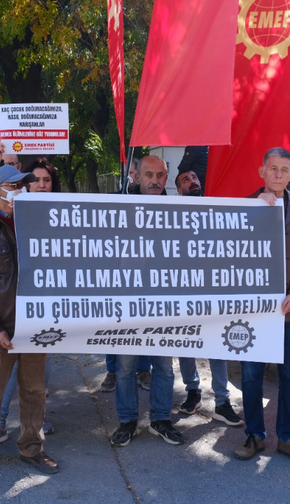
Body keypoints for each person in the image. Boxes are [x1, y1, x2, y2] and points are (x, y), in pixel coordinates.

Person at [0, 165, 59, 482]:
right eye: (13, 185)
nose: (21, 190)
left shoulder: (41, 223)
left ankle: (32, 447)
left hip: (36, 328)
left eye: (23, 185)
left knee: (34, 391)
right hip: (1, 331)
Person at [234, 147, 290, 466]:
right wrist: (254, 210)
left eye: (285, 170)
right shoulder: (245, 207)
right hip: (255, 311)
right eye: (273, 169)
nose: (278, 175)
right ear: (262, 172)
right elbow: (230, 254)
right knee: (252, 376)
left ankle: (286, 437)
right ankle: (255, 434)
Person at [110, 155, 183, 447]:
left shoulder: (181, 210)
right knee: (125, 367)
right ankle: (127, 421)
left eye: (161, 175)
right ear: (137, 176)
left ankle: (161, 420)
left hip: (165, 304)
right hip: (128, 303)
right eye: (149, 174)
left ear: (167, 178)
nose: (155, 180)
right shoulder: (115, 207)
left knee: (164, 367)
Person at [173, 166, 244, 426]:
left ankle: (223, 401)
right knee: (185, 343)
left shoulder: (218, 206)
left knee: (217, 344)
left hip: (213, 289)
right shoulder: (171, 214)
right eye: (185, 179)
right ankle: (193, 391)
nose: (192, 181)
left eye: (194, 177)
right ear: (179, 189)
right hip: (182, 290)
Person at [0, 158, 61, 441]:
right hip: (15, 301)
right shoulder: (12, 213)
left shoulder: (64, 213)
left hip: (47, 300)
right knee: (12, 361)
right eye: (34, 180)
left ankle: (37, 418)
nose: (41, 185)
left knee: (41, 362)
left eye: (46, 180)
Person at [102, 157, 153, 393]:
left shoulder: (155, 198)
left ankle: (144, 369)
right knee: (115, 323)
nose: (132, 176)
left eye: (135, 172)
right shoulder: (116, 197)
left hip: (145, 273)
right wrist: (124, 190)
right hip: (118, 273)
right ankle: (112, 370)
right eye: (129, 172)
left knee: (145, 321)